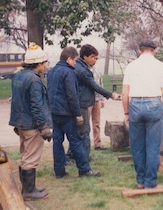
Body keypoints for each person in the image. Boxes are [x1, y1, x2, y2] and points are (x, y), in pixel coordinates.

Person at [122, 39, 163, 189]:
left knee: (137, 146)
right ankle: (151, 182)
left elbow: (125, 93)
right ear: (155, 49)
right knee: (153, 146)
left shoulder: (131, 66)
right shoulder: (160, 66)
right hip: (154, 104)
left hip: (135, 104)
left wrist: (126, 112)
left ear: (139, 50)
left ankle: (140, 181)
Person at [47, 46, 101, 178]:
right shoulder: (69, 72)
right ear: (69, 59)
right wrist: (78, 114)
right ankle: (84, 169)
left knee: (57, 142)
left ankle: (59, 171)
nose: (75, 63)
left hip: (54, 112)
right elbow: (72, 95)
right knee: (76, 140)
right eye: (75, 60)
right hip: (67, 113)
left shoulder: (51, 71)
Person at [9, 42, 52, 200]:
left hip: (21, 123)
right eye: (44, 63)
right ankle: (29, 192)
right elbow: (36, 106)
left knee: (25, 155)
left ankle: (29, 188)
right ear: (38, 63)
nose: (45, 66)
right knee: (31, 158)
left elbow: (17, 101)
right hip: (32, 125)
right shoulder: (34, 80)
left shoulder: (18, 76)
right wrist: (44, 126)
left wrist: (16, 122)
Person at [66, 44, 120, 163]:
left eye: (96, 57)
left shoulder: (83, 66)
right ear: (84, 56)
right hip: (82, 104)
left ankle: (79, 156)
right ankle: (77, 157)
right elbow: (94, 85)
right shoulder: (82, 70)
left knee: (82, 131)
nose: (94, 60)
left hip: (84, 102)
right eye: (92, 57)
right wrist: (111, 94)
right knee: (83, 131)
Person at [88, 63, 106, 150]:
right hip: (88, 99)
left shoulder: (96, 69)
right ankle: (85, 143)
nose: (94, 60)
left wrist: (102, 98)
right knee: (85, 123)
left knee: (96, 122)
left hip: (97, 99)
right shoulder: (85, 69)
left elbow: (100, 83)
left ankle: (97, 143)